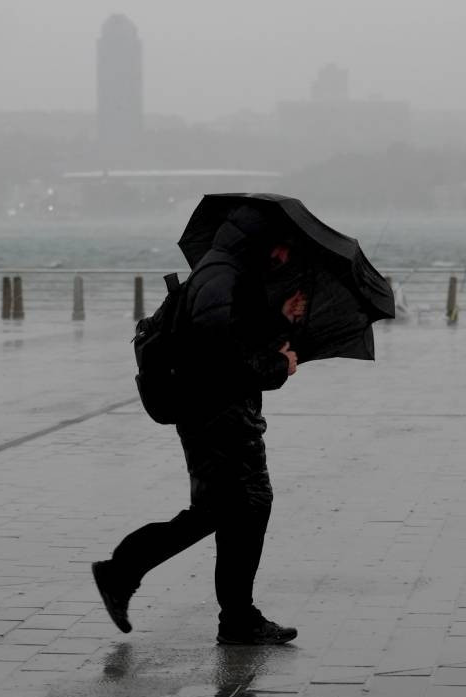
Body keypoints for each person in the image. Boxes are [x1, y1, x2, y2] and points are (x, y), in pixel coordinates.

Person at [92, 206, 307, 645]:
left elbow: (230, 335)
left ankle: (236, 618)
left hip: (220, 412)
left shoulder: (228, 272)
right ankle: (123, 572)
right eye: (282, 246)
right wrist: (276, 365)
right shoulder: (222, 274)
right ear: (261, 241)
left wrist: (282, 318)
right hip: (215, 415)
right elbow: (218, 352)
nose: (285, 255)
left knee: (234, 510)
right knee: (238, 506)